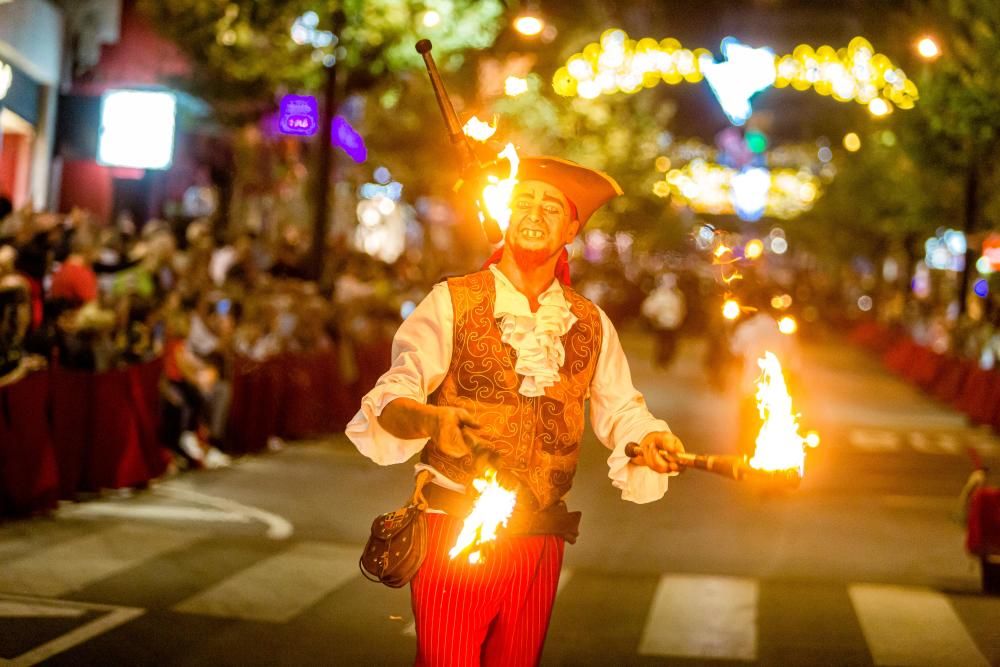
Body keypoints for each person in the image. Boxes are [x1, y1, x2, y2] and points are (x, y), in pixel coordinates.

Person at [346, 156, 685, 667]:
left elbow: (623, 413)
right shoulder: (450, 302)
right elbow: (392, 396)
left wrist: (648, 439)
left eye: (551, 207)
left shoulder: (590, 322)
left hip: (540, 541)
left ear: (572, 228)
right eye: (523, 201)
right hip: (454, 527)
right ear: (504, 214)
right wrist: (431, 420)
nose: (534, 212)